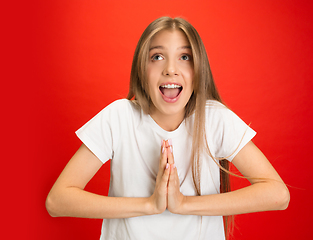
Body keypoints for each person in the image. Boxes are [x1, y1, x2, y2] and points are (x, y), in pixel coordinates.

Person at [46, 16, 290, 240]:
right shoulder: (119, 117)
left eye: (184, 57)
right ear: (142, 70)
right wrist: (150, 205)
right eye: (157, 57)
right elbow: (57, 200)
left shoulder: (214, 118)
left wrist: (182, 204)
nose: (171, 69)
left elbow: (278, 195)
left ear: (198, 72)